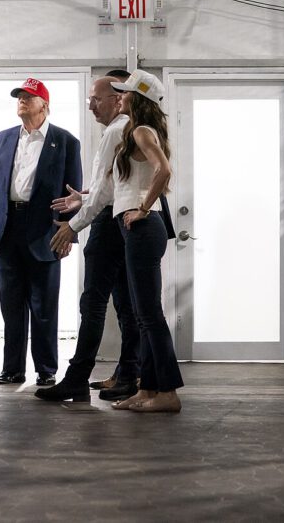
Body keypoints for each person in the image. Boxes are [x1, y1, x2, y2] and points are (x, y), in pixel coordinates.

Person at [35, 71, 140, 403]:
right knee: (126, 305)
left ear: (117, 98)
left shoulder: (116, 131)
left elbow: (105, 196)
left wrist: (73, 225)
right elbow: (114, 186)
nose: (91, 105)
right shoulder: (128, 127)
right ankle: (128, 374)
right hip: (121, 221)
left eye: (96, 99)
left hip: (109, 225)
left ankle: (77, 379)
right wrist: (85, 197)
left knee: (93, 304)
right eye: (89, 99)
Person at [0, 78, 82, 386]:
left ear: (44, 105)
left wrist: (69, 231)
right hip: (8, 226)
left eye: (29, 96)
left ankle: (46, 370)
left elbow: (74, 191)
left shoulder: (65, 141)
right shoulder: (4, 137)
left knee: (44, 305)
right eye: (19, 97)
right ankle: (12, 369)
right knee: (11, 304)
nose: (22, 101)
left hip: (46, 230)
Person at [108, 70, 183, 412]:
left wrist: (142, 208)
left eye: (124, 93)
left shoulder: (140, 131)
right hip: (136, 228)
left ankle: (168, 393)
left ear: (138, 98)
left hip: (143, 227)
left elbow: (163, 169)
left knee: (149, 315)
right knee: (144, 315)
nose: (120, 97)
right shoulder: (139, 130)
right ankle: (147, 389)